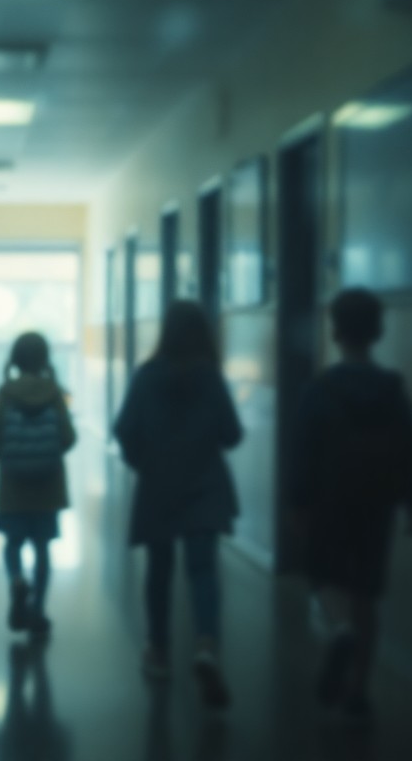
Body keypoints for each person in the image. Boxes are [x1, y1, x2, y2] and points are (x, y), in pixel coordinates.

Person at [289, 288, 412, 723]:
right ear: (378, 331)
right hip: (378, 502)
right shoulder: (392, 389)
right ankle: (359, 692)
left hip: (331, 500)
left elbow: (302, 452)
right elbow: (411, 448)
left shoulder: (319, 390)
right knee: (367, 592)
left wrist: (297, 503)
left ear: (334, 332)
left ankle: (338, 629)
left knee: (326, 580)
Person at [113, 300, 243, 710]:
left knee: (159, 571)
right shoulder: (210, 377)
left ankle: (159, 652)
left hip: (159, 487)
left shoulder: (147, 376)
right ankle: (206, 643)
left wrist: (146, 463)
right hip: (205, 486)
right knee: (203, 570)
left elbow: (124, 429)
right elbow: (232, 433)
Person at [0, 332, 76, 638]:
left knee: (13, 542)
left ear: (16, 358)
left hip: (12, 487)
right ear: (45, 359)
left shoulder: (5, 392)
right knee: (42, 548)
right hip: (48, 487)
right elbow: (68, 437)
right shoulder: (53, 392)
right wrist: (48, 456)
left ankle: (17, 581)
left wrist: (7, 459)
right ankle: (38, 611)